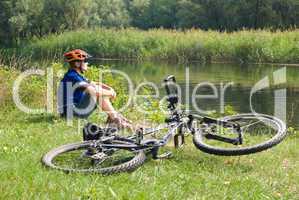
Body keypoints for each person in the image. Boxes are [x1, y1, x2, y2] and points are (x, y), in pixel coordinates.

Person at [58, 49, 132, 129]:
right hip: (69, 114)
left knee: (98, 90)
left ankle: (115, 118)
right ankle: (115, 119)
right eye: (85, 61)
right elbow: (93, 91)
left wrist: (111, 89)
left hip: (73, 111)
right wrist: (111, 94)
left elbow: (95, 83)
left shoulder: (75, 75)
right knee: (97, 92)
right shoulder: (72, 76)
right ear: (77, 63)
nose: (87, 63)